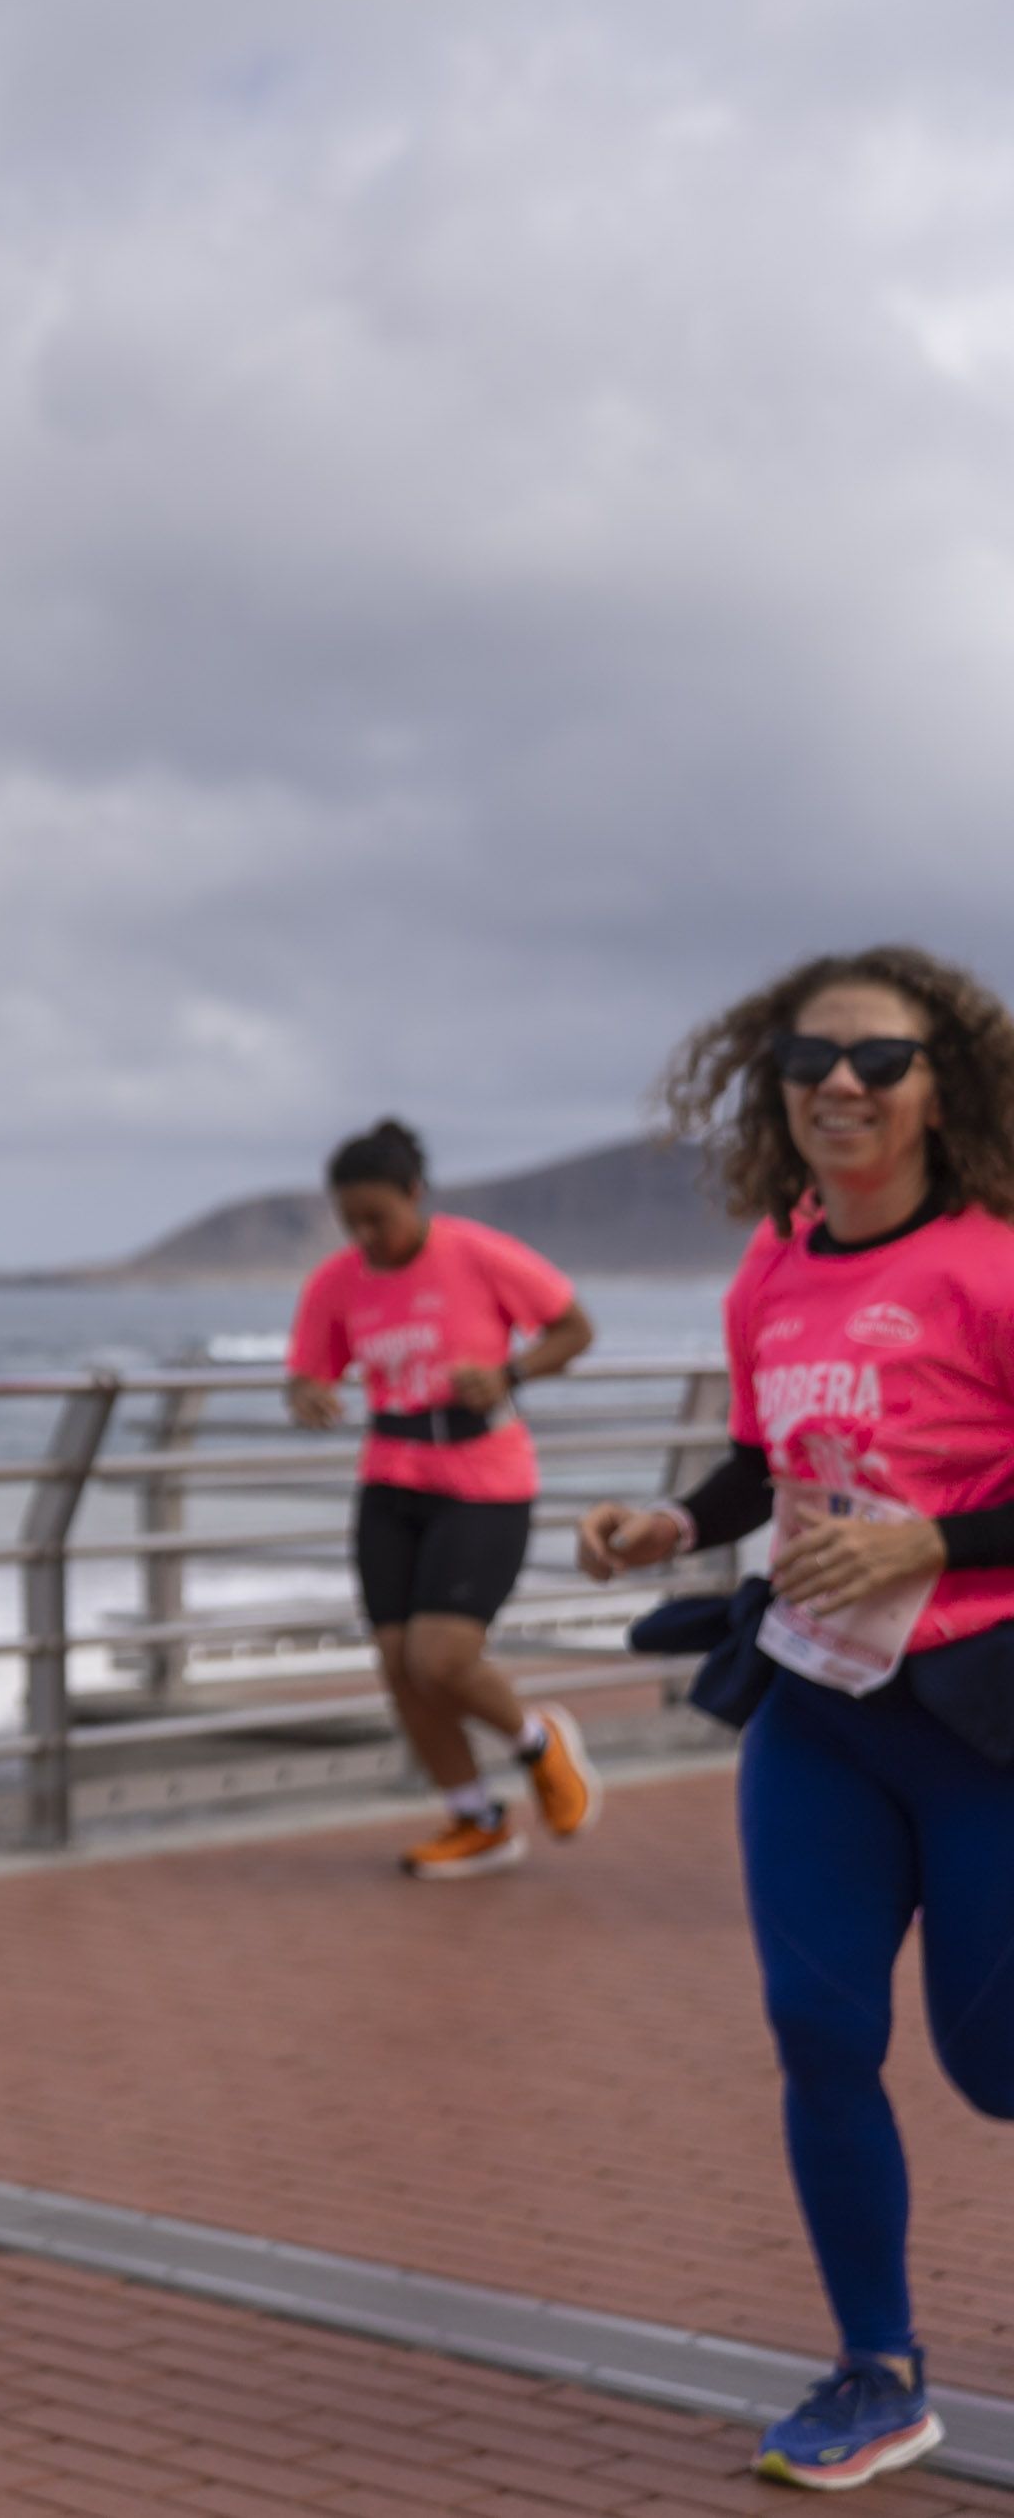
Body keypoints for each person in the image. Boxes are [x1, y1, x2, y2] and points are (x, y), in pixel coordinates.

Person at [578, 947, 1014, 2492]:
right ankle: (876, 2370)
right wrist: (672, 1525)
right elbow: (765, 1460)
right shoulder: (773, 1263)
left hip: (984, 1717)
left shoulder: (995, 1264)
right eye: (808, 1056)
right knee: (820, 2030)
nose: (841, 1081)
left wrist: (932, 1542)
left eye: (880, 1058)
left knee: (995, 2065)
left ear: (940, 1087)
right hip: (820, 1707)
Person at [284, 1118, 602, 1879]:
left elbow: (574, 1328)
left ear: (414, 1193)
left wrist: (509, 1375)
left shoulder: (477, 1254)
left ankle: (538, 1742)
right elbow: (306, 1370)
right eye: (351, 1221)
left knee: (441, 1657)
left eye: (378, 1217)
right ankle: (476, 1818)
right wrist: (308, 1394)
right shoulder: (336, 1280)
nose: (366, 1235)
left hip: (484, 1481)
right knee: (399, 1665)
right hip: (391, 1483)